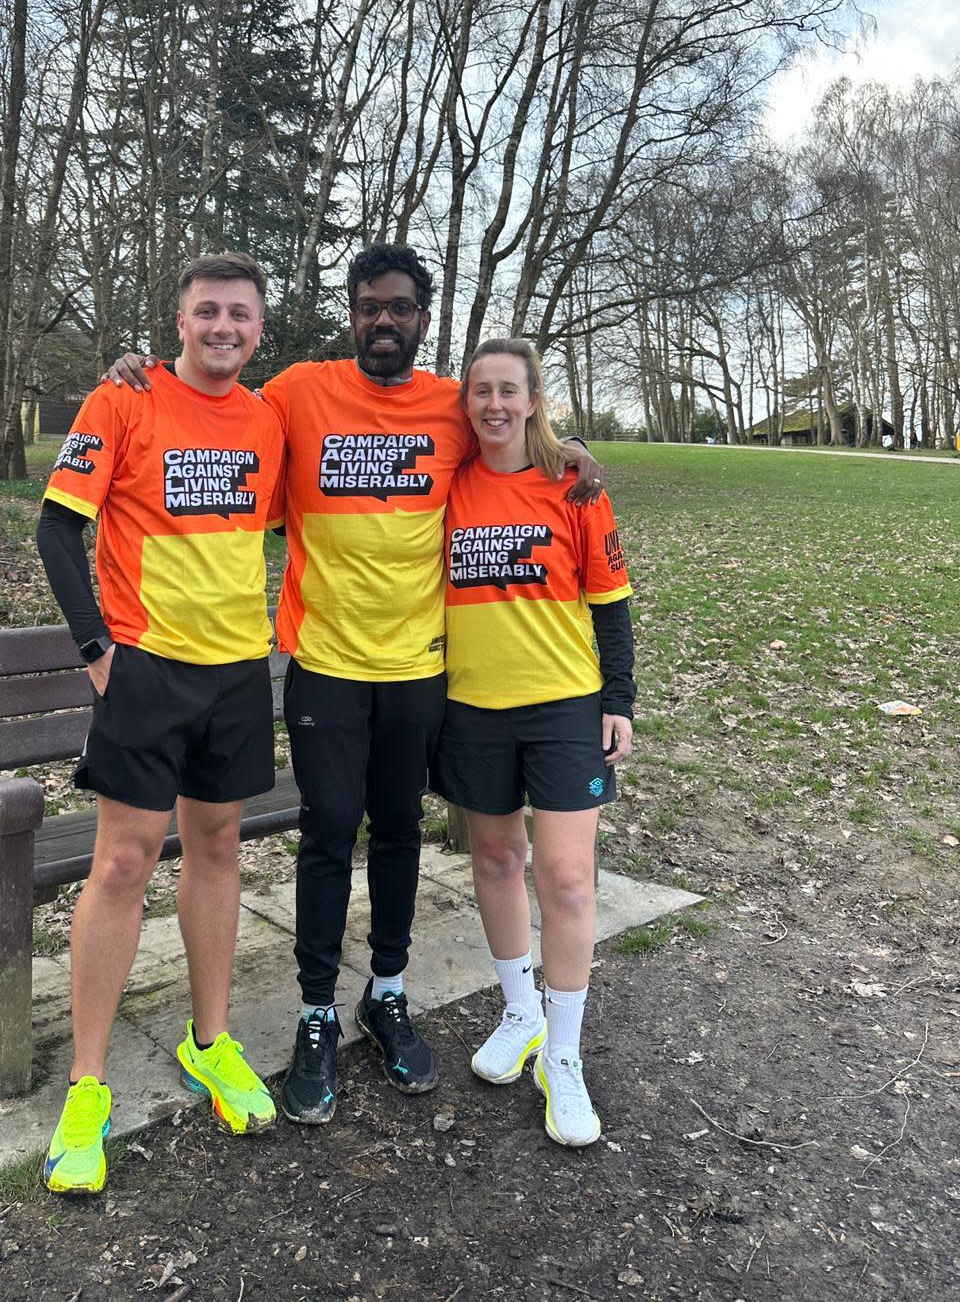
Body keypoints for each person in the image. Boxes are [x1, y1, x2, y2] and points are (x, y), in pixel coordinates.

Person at [106, 247, 605, 1126]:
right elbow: (207, 403)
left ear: (422, 316)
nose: (385, 320)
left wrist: (574, 457)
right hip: (326, 666)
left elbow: (512, 436)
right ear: (352, 313)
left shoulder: (451, 405)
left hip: (419, 669)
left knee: (401, 834)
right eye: (371, 306)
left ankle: (387, 989)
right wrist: (135, 377)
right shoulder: (299, 391)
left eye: (402, 308)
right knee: (329, 834)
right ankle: (315, 1012)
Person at [36, 252, 285, 1195]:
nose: (224, 327)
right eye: (207, 312)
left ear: (259, 329)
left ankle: (209, 1042)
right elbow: (58, 529)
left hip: (234, 675)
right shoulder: (124, 400)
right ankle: (88, 1085)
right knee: (123, 864)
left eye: (241, 316)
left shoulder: (267, 420)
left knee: (217, 849)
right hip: (145, 671)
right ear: (179, 322)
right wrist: (98, 651)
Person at [433, 337, 634, 1147]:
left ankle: (564, 1052)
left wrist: (618, 699)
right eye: (480, 391)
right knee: (494, 860)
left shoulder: (574, 486)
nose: (493, 405)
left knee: (568, 882)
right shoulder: (447, 485)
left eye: (508, 391)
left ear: (533, 398)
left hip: (563, 708)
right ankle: (518, 1013)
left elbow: (612, 602)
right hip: (472, 706)